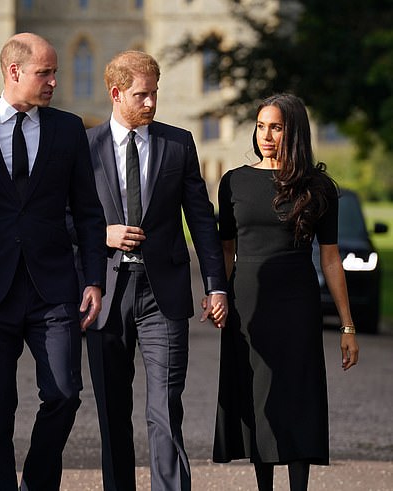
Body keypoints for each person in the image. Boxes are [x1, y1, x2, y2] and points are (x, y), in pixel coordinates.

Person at [0, 33, 107, 490]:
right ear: (14, 72)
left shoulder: (68, 129)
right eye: (45, 72)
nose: (54, 80)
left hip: (54, 289)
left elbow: (90, 213)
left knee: (64, 394)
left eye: (55, 71)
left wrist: (93, 280)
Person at [86, 50, 228, 491]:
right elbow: (60, 218)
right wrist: (102, 235)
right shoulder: (83, 147)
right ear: (116, 93)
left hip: (162, 294)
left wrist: (215, 284)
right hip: (105, 294)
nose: (151, 103)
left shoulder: (178, 143)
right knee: (112, 409)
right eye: (140, 95)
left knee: (166, 406)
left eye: (154, 93)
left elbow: (201, 219)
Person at [212, 93, 360, 491]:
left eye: (276, 127)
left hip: (297, 304)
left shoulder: (318, 187)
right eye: (261, 126)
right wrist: (217, 295)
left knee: (296, 396)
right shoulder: (234, 182)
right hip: (247, 302)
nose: (266, 135)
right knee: (259, 398)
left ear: (293, 131)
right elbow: (226, 250)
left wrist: (347, 327)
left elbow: (330, 259)